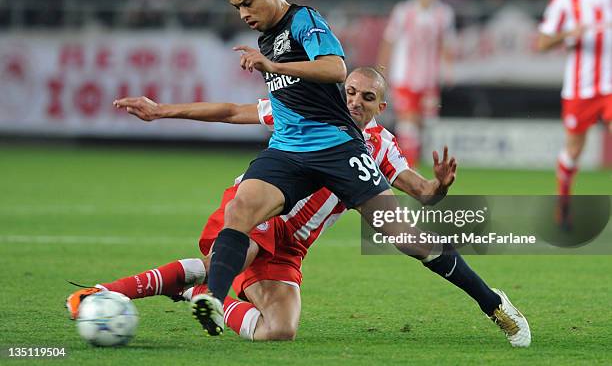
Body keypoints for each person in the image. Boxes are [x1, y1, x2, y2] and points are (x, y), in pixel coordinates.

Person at [67, 68, 529, 346]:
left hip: (293, 247)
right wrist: (162, 110)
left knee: (279, 331)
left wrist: (441, 187)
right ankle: (101, 291)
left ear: (381, 106)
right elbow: (232, 112)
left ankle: (196, 292)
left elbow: (422, 192)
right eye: (350, 91)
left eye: (367, 97)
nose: (355, 101)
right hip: (259, 211)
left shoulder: (382, 148)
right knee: (234, 255)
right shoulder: (304, 110)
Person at [537, 0, 612, 227]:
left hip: (610, 86)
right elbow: (542, 42)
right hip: (579, 89)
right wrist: (569, 33)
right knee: (574, 151)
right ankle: (563, 204)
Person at [377, 0, 455, 166]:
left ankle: (415, 159)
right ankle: (407, 164)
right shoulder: (404, 11)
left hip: (429, 77)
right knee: (407, 121)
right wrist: (382, 69)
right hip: (404, 75)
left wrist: (448, 68)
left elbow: (446, 43)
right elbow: (389, 40)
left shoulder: (444, 13)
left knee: (426, 122)